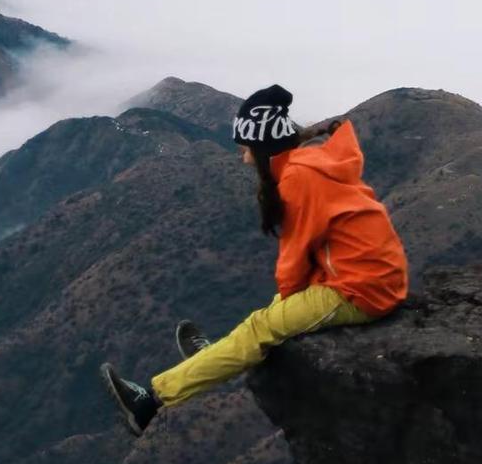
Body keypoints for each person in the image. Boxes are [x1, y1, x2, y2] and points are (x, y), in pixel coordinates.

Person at [101, 84, 408, 436]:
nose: (244, 158)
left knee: (260, 327)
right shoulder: (311, 161)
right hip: (370, 276)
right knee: (268, 318)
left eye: (247, 149)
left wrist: (284, 299)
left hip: (362, 290)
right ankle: (215, 357)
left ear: (265, 149)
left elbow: (296, 253)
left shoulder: (299, 178)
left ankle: (150, 402)